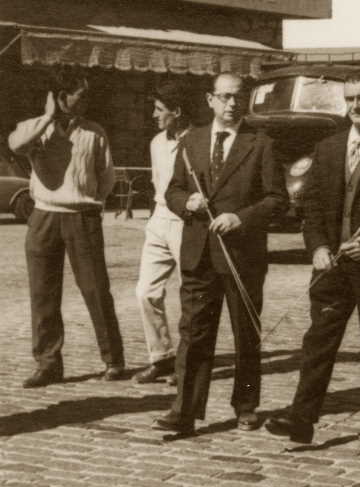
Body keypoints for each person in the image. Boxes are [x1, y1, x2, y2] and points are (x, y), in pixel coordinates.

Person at [265, 71, 360, 447]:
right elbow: (312, 205)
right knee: (318, 341)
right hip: (331, 265)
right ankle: (302, 419)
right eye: (350, 99)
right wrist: (317, 246)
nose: (356, 106)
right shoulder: (329, 147)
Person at [152, 73, 286, 437]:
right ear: (210, 100)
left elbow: (277, 199)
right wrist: (187, 203)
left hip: (241, 256)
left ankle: (245, 406)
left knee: (245, 334)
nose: (231, 105)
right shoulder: (192, 139)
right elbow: (173, 191)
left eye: (237, 98)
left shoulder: (260, 143)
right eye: (224, 97)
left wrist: (239, 218)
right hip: (198, 254)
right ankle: (184, 410)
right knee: (193, 333)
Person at [8, 67, 124, 387]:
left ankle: (113, 359)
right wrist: (47, 118)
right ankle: (47, 363)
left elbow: (107, 178)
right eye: (80, 96)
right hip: (43, 216)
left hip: (82, 217)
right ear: (61, 97)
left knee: (95, 289)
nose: (86, 102)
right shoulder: (34, 128)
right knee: (43, 293)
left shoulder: (95, 132)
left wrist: (86, 202)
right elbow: (16, 146)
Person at [131, 82, 191, 384]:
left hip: (187, 223)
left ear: (176, 112)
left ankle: (188, 363)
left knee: (190, 294)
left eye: (159, 110)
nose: (154, 115)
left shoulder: (198, 141)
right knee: (145, 291)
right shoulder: (156, 142)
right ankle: (162, 357)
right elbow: (158, 183)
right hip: (159, 219)